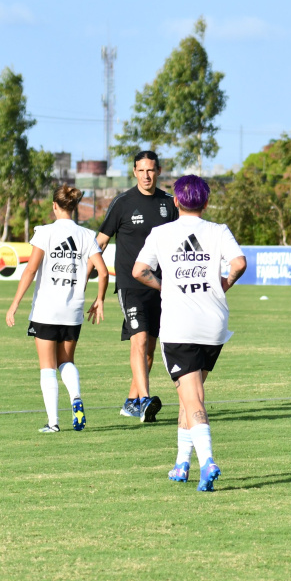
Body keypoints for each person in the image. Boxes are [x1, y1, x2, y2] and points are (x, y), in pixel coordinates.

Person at [132, 175, 246, 492]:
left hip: (180, 324)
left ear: (176, 202)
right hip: (214, 324)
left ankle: (207, 460)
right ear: (206, 203)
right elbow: (238, 263)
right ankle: (182, 463)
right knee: (189, 394)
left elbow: (138, 271)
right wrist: (224, 284)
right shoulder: (218, 231)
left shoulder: (162, 233)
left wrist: (163, 285)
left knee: (191, 395)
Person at [5, 185, 108, 433]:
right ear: (74, 208)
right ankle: (75, 397)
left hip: (46, 310)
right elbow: (103, 272)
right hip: (73, 311)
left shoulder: (45, 233)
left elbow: (30, 270)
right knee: (66, 362)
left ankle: (53, 423)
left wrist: (15, 304)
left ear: (54, 206)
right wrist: (100, 300)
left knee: (47, 367)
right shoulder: (86, 235)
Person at [96, 151, 179, 422]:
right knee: (139, 340)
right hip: (131, 284)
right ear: (134, 172)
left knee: (150, 350)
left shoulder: (169, 203)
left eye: (151, 170)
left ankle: (131, 402)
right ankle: (144, 402)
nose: (146, 175)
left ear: (158, 171)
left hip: (161, 286)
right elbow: (100, 242)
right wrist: (85, 280)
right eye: (141, 170)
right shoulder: (122, 203)